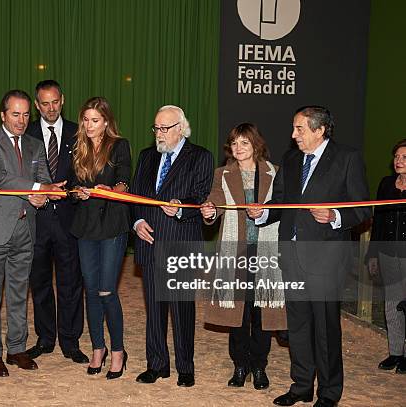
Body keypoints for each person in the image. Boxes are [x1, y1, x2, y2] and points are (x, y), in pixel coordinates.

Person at [247, 106, 371, 407]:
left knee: (326, 329)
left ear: (319, 130)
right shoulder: (290, 159)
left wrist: (335, 215)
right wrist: (262, 213)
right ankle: (301, 385)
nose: (293, 135)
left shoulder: (347, 158)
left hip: (326, 257)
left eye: (299, 129)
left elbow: (363, 208)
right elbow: (280, 203)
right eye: (293, 128)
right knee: (298, 326)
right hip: (290, 255)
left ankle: (328, 393)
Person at [0, 89, 63, 377]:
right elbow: (1, 178)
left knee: (18, 292)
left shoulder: (36, 145)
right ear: (3, 115)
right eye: (15, 114)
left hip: (26, 227)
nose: (21, 120)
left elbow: (44, 179)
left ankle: (16, 349)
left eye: (26, 114)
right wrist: (37, 191)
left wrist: (42, 196)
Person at [131, 104, 213, 388]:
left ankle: (185, 367)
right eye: (156, 128)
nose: (159, 133)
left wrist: (180, 208)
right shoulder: (146, 156)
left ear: (181, 128)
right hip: (150, 241)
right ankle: (157, 365)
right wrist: (138, 222)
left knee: (182, 310)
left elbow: (201, 196)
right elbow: (136, 196)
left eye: (165, 128)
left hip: (181, 242)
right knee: (154, 308)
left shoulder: (200, 156)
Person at [200, 123, 287, 389]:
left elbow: (283, 208)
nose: (238, 148)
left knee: (262, 312)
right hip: (235, 252)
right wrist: (209, 212)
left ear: (256, 145)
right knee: (237, 313)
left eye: (244, 143)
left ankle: (259, 366)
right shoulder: (222, 173)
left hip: (266, 253)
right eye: (235, 143)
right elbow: (214, 202)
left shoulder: (274, 173)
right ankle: (240, 365)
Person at [26, 80, 87, 364]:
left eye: (55, 102)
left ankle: (71, 341)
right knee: (39, 283)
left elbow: (87, 173)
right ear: (37, 106)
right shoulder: (25, 133)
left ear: (62, 100)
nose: (50, 108)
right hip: (35, 221)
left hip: (69, 220)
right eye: (44, 104)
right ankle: (45, 338)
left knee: (71, 284)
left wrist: (74, 192)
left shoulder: (80, 132)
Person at [70, 96, 131, 379]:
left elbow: (124, 180)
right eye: (86, 120)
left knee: (107, 290)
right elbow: (71, 185)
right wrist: (78, 192)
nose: (89, 125)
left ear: (106, 122)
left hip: (112, 225)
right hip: (85, 225)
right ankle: (98, 348)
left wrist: (112, 189)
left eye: (95, 120)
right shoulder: (77, 147)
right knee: (91, 290)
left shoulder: (119, 145)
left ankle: (118, 350)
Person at [366, 138, 406, 374]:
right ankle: (395, 352)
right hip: (388, 253)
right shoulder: (386, 184)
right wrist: (372, 255)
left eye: (404, 157)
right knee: (391, 304)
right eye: (397, 156)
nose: (399, 161)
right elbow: (378, 220)